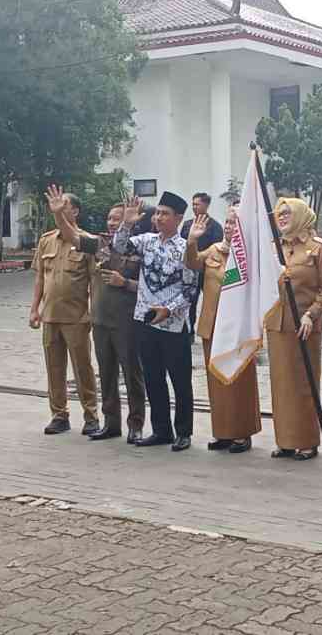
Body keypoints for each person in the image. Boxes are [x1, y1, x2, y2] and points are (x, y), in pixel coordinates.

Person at [113, 192, 198, 451]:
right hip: (144, 320)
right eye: (158, 213)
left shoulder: (186, 249)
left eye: (165, 214)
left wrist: (168, 310)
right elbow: (118, 248)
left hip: (173, 325)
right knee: (152, 378)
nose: (159, 218)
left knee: (180, 380)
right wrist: (126, 223)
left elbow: (191, 290)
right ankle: (162, 430)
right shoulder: (146, 241)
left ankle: (183, 431)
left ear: (179, 218)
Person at [67, 199, 147, 444]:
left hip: (127, 322)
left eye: (119, 219)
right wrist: (60, 214)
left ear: (132, 220)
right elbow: (71, 236)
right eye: (111, 218)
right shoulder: (100, 243)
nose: (113, 223)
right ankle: (111, 423)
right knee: (107, 373)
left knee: (132, 374)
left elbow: (152, 287)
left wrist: (126, 283)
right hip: (100, 320)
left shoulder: (143, 247)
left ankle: (136, 424)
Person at [185, 209, 263, 454]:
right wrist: (192, 241)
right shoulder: (214, 251)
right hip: (212, 326)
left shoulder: (249, 254)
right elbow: (191, 263)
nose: (229, 227)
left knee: (240, 382)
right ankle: (223, 432)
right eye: (227, 222)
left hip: (238, 329)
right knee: (217, 382)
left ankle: (243, 432)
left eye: (235, 223)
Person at [265, 197, 322, 460]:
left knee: (304, 383)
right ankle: (285, 439)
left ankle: (307, 440)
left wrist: (311, 314)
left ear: (301, 215)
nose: (282, 218)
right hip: (277, 324)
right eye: (279, 214)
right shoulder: (274, 248)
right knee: (281, 385)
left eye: (287, 213)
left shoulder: (319, 248)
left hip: (304, 325)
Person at [32, 188, 101, 436]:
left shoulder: (86, 241)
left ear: (75, 211)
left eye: (65, 205)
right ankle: (59, 415)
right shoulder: (46, 240)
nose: (59, 208)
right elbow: (40, 277)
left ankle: (91, 415)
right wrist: (34, 310)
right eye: (57, 205)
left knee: (83, 368)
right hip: (50, 316)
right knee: (54, 368)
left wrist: (93, 313)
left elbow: (94, 282)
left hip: (77, 317)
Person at [181, 192, 225, 329]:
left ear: (206, 205)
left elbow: (217, 250)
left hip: (208, 270)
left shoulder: (215, 226)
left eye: (197, 204)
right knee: (190, 301)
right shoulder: (188, 225)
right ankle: (190, 330)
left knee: (212, 300)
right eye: (193, 204)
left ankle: (215, 328)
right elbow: (182, 244)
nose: (194, 207)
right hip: (190, 269)